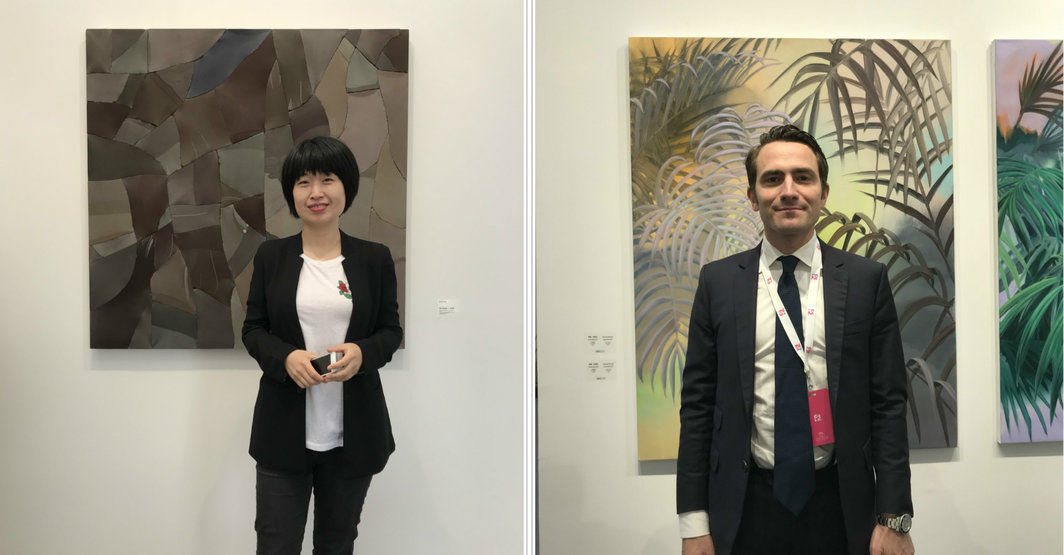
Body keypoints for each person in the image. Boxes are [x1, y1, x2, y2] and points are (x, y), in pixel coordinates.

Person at [676, 125, 915, 555]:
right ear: (753, 196)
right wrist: (694, 525)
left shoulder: (866, 281)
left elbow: (889, 405)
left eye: (803, 177)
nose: (789, 191)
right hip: (744, 509)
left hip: (842, 508)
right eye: (773, 179)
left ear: (823, 193)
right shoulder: (718, 284)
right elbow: (697, 408)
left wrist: (894, 517)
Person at [242, 136, 402, 554]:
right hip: (283, 434)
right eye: (303, 182)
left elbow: (390, 332)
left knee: (336, 545)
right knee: (275, 545)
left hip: (352, 437)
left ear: (346, 187)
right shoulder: (271, 257)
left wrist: (363, 353)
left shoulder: (374, 259)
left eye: (327, 179)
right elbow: (253, 330)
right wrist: (286, 357)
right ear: (291, 193)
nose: (316, 192)